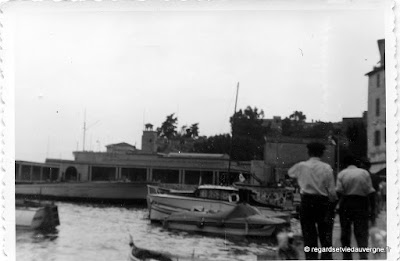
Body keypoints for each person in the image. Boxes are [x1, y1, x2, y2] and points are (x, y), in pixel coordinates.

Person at [288, 142, 337, 260]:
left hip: (306, 202)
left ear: (308, 152)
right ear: (322, 153)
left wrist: (301, 181)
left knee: (309, 234)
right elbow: (332, 191)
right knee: (325, 235)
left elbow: (290, 173)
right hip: (322, 203)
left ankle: (311, 258)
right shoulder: (326, 168)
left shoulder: (301, 166)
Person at [336, 155, 375, 260]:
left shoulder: (342, 174)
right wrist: (372, 210)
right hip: (361, 204)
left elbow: (339, 192)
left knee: (345, 232)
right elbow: (370, 192)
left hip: (346, 203)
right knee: (362, 232)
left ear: (344, 164)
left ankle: (347, 257)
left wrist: (335, 206)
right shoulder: (364, 173)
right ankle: (363, 256)